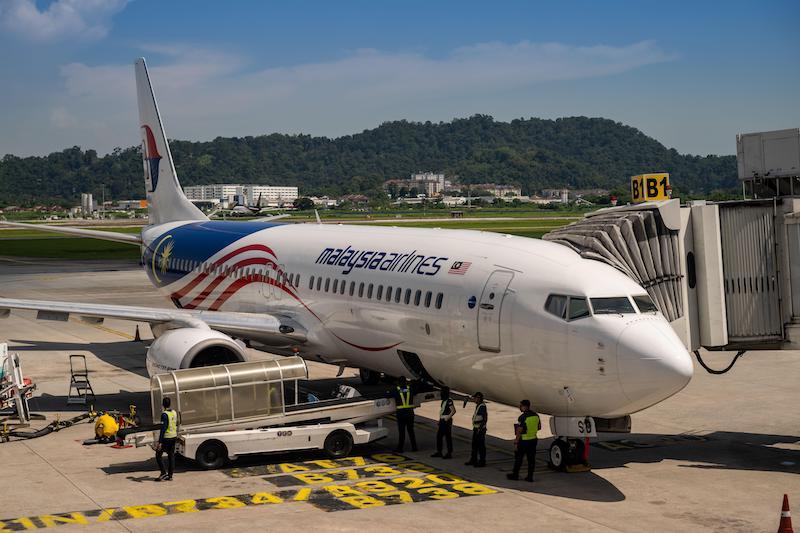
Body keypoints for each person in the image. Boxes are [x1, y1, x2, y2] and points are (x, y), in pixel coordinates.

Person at [507, 399, 540, 482]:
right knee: (531, 460)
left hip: (524, 441)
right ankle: (530, 477)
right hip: (533, 440)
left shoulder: (522, 417)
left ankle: (515, 475)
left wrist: (516, 441)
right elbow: (539, 427)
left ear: (524, 406)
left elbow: (519, 430)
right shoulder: (536, 415)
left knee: (519, 458)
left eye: (520, 406)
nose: (519, 407)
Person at [155, 397, 178, 481]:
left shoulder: (164, 414)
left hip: (166, 438)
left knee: (158, 455)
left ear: (163, 405)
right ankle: (170, 475)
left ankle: (163, 473)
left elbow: (163, 429)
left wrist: (160, 442)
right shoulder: (174, 413)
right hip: (174, 436)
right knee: (171, 456)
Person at [393, 377, 417, 453]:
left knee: (402, 431)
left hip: (401, 413)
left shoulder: (396, 390)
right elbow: (416, 392)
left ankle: (400, 448)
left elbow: (388, 395)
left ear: (399, 383)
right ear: (406, 382)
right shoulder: (410, 389)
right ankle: (414, 447)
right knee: (411, 431)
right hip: (410, 413)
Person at [431, 386, 455, 459]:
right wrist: (440, 420)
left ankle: (449, 452)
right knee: (439, 436)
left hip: (446, 421)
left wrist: (447, 418)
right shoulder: (444, 401)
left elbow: (453, 411)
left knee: (447, 437)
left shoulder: (449, 401)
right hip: (442, 421)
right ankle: (439, 451)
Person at [465, 392, 487, 467]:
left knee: (480, 446)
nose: (474, 399)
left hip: (480, 429)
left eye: (475, 398)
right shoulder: (478, 405)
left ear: (479, 398)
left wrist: (480, 428)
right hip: (476, 428)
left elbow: (484, 419)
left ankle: (482, 461)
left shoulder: (482, 406)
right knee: (474, 445)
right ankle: (473, 459)